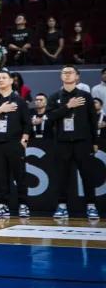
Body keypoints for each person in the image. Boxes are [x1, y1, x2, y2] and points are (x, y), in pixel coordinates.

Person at [45, 66, 101, 220]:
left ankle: (91, 206)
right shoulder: (55, 96)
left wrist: (95, 141)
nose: (67, 75)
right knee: (62, 176)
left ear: (77, 76)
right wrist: (68, 106)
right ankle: (62, 206)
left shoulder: (85, 96)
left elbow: (93, 120)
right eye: (64, 72)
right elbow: (50, 117)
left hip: (83, 142)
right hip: (62, 142)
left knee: (87, 175)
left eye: (70, 73)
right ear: (60, 76)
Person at [0, 70, 31, 218]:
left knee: (19, 175)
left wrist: (24, 140)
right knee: (0, 176)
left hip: (14, 143)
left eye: (4, 78)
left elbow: (27, 123)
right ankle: (2, 205)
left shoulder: (19, 100)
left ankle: (23, 204)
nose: (1, 80)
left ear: (11, 81)